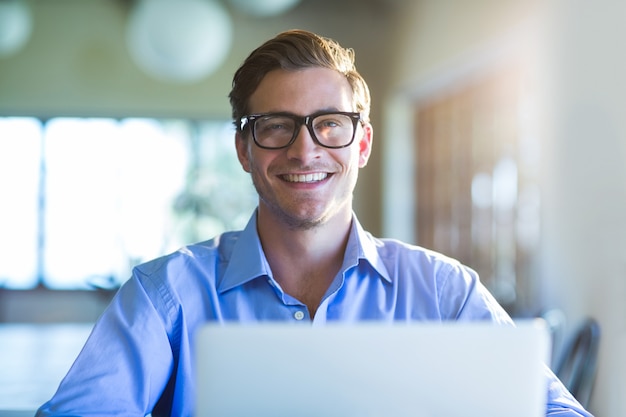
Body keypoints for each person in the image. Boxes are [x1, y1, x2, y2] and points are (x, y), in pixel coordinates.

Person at [37, 29, 593, 417]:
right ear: (243, 147)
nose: (305, 151)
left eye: (330, 124)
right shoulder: (166, 297)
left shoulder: (444, 292)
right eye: (276, 125)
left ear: (363, 143)